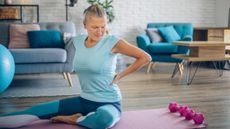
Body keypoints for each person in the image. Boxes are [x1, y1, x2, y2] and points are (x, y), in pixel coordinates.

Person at [0, 4, 151, 129]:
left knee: (104, 119)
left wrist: (120, 76)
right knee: (36, 110)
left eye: (103, 26)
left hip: (109, 103)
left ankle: (73, 120)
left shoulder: (113, 42)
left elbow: (145, 57)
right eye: (94, 27)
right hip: (84, 100)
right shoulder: (77, 41)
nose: (99, 31)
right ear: (85, 25)